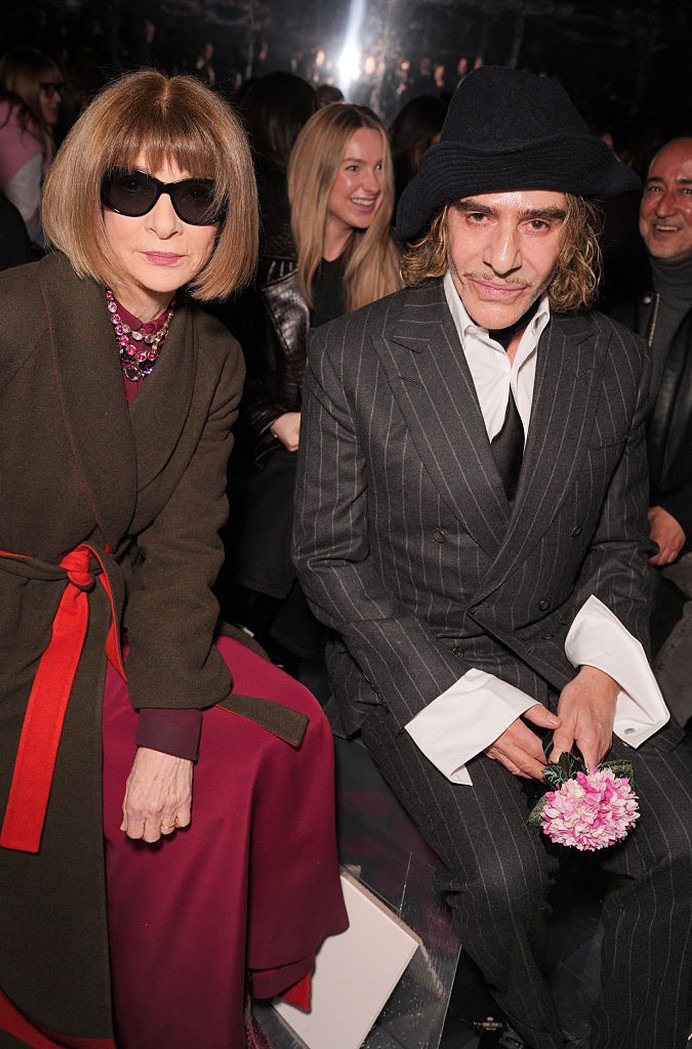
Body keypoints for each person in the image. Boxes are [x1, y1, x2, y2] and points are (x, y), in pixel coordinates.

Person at [293, 67, 692, 1049]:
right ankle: (532, 1026)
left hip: (561, 644)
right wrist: (465, 703)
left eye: (540, 222)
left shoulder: (613, 364)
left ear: (575, 230)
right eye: (479, 216)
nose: (506, 256)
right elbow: (329, 558)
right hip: (410, 657)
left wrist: (602, 671)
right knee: (508, 873)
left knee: (680, 838)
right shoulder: (356, 354)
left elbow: (613, 544)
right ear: (440, 219)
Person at [0, 69, 347, 1049]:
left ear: (227, 213)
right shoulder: (14, 315)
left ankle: (248, 978)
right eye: (132, 189)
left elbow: (186, 547)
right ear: (86, 192)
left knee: (285, 724)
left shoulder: (210, 357)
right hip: (4, 647)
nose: (165, 221)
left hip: (98, 618)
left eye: (196, 196)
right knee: (213, 788)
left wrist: (169, 725)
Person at [223, 102, 401, 667]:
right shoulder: (258, 258)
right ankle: (249, 631)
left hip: (353, 465)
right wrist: (273, 420)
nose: (370, 185)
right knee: (298, 478)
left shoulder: (392, 274)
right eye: (353, 168)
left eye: (379, 169)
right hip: (261, 456)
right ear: (317, 169)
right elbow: (220, 373)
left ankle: (258, 636)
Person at [605, 136, 692, 726]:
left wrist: (685, 511)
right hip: (610, 507)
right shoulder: (602, 287)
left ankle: (637, 754)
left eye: (688, 190)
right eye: (655, 186)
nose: (664, 206)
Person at [0, 48, 63, 247]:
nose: (57, 98)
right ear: (26, 88)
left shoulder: (3, 123)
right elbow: (26, 221)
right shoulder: (23, 143)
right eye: (48, 89)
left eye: (59, 88)